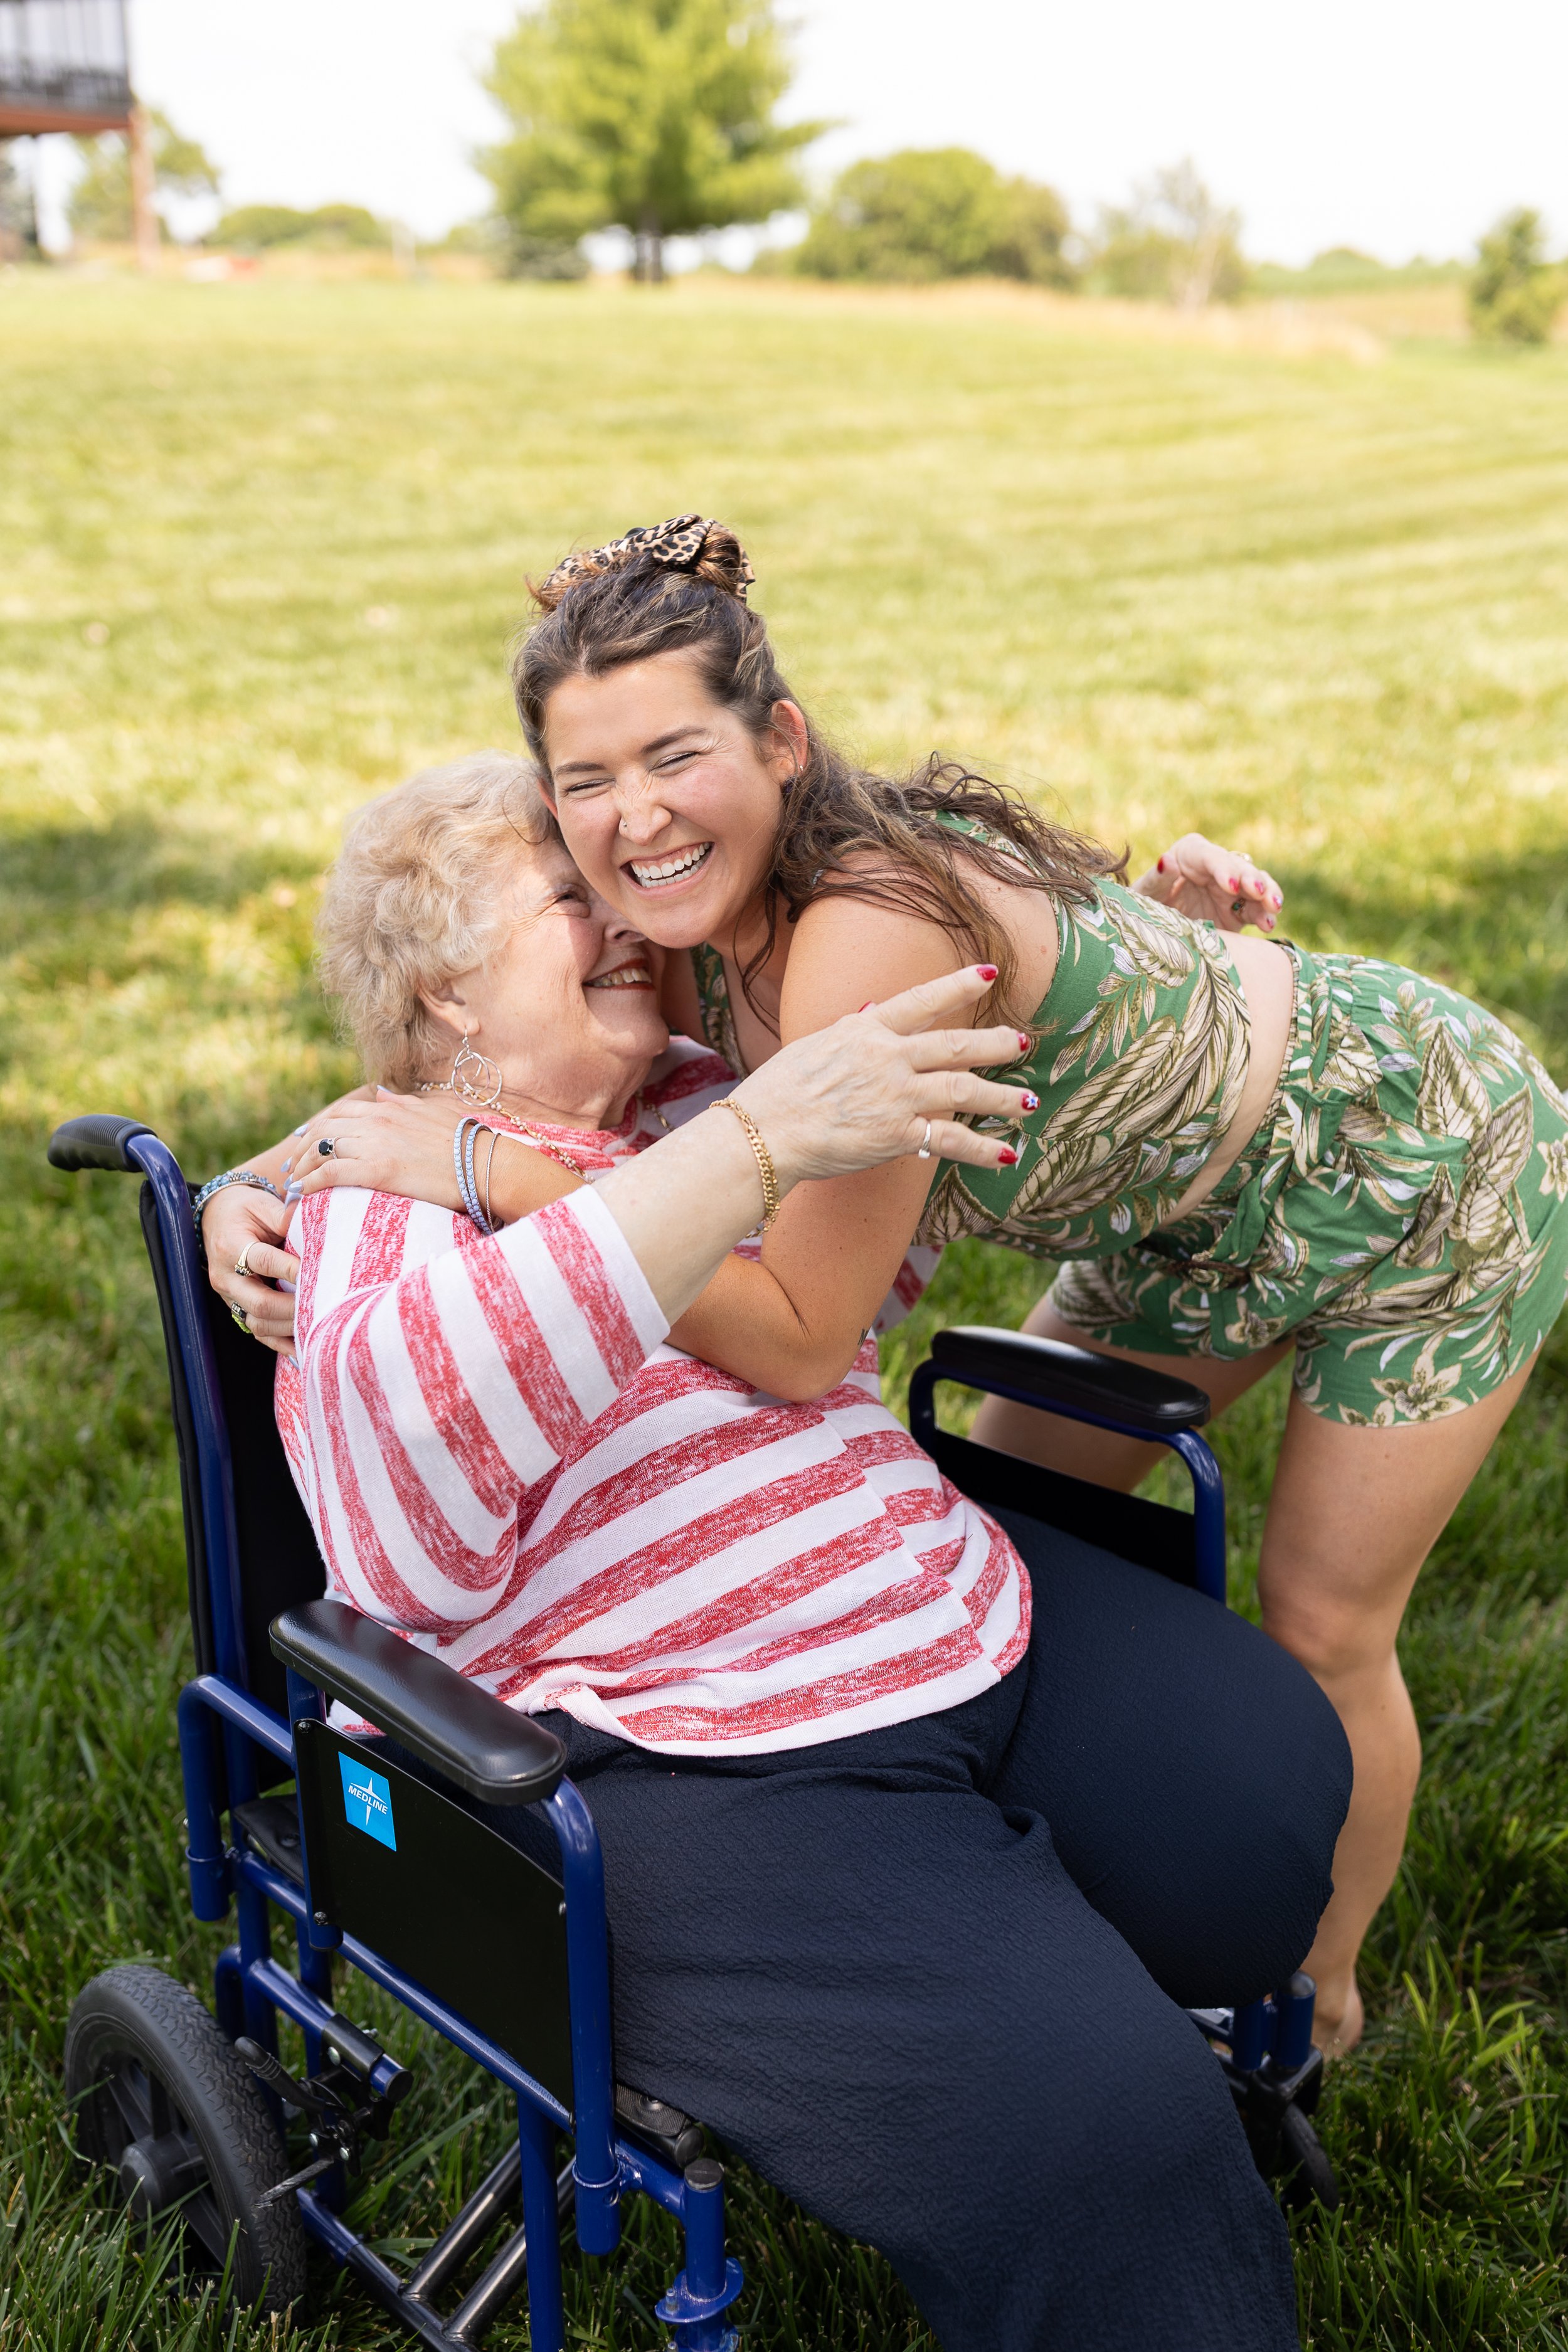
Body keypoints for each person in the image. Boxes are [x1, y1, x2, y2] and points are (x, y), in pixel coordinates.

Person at [253, 756, 1351, 2352]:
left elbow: (935, 1179)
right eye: (572, 901)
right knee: (1101, 2131)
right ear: (446, 1002)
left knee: (1257, 1794)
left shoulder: (706, 1096)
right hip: (690, 1748)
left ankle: (1067, 1948)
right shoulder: (377, 1212)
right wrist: (600, 1179)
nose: (628, 921)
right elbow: (402, 1523)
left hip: (945, 1608)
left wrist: (1147, 961)